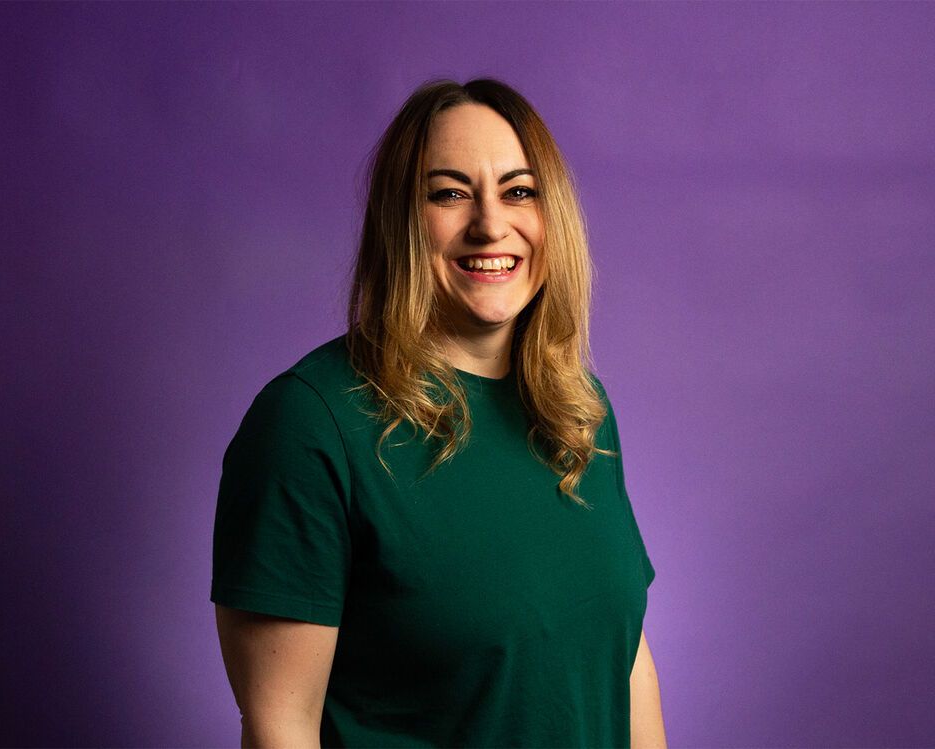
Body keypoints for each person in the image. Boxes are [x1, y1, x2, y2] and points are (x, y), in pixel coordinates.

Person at [211, 78, 667, 748]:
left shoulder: (579, 409)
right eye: (449, 193)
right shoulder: (310, 424)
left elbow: (624, 661)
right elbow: (282, 726)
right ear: (401, 218)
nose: (491, 223)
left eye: (519, 191)